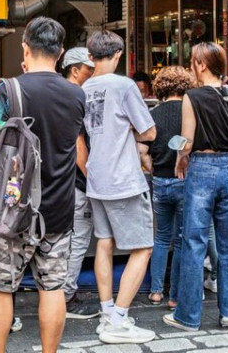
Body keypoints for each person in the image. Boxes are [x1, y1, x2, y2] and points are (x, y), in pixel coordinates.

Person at [0, 17, 85, 353]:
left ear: (25, 47)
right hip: (58, 210)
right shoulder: (76, 95)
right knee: (52, 287)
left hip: (12, 210)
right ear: (61, 52)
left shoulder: (6, 90)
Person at [83, 30, 157, 344]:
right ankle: (118, 320)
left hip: (96, 178)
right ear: (117, 55)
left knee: (104, 242)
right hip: (123, 178)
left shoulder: (84, 87)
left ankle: (107, 310)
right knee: (143, 247)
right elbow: (149, 132)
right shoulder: (124, 85)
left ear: (90, 56)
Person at [165, 42, 228, 332]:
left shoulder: (192, 96)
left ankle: (188, 316)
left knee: (193, 243)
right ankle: (227, 312)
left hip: (200, 168)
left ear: (201, 64)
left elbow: (186, 141)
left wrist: (179, 159)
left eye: (193, 62)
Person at [139, 66, 194, 310]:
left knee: (161, 238)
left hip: (159, 181)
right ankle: (175, 296)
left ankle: (156, 292)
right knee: (181, 240)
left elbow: (141, 151)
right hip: (184, 181)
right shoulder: (191, 113)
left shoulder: (152, 113)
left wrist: (153, 168)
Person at [59, 47, 99, 320]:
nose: (93, 73)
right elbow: (79, 144)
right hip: (77, 183)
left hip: (58, 182)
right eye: (89, 68)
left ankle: (59, 293)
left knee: (63, 242)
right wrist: (91, 179)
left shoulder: (56, 94)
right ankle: (66, 296)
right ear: (74, 69)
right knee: (77, 241)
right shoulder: (75, 97)